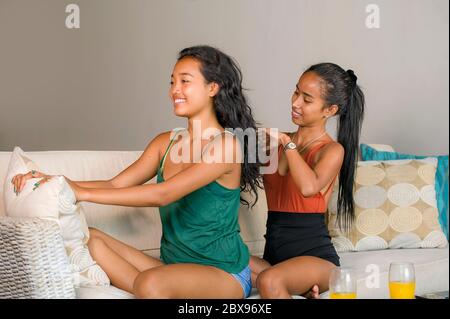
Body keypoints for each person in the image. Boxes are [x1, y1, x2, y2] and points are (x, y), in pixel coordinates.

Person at [11, 45, 262, 299]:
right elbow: (115, 184)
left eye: (185, 81)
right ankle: (162, 290)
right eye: (172, 81)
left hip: (221, 273)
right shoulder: (166, 142)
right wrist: (56, 181)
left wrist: (81, 193)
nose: (175, 90)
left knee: (151, 284)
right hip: (173, 267)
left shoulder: (226, 146)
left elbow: (163, 194)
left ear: (212, 88)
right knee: (91, 239)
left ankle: (156, 289)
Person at [250, 63, 365, 299]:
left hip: (318, 260)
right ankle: (296, 286)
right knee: (219, 262)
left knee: (269, 280)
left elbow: (308, 187)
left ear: (330, 110)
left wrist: (286, 141)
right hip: (274, 259)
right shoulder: (277, 143)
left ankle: (294, 282)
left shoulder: (332, 150)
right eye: (296, 92)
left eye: (307, 99)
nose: (295, 103)